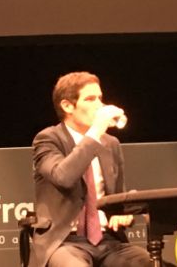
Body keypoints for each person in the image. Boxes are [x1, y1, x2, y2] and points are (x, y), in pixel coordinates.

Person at [30, 71, 150, 267]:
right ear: (67, 106)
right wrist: (95, 132)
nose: (99, 105)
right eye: (90, 99)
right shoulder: (48, 139)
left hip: (108, 240)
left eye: (100, 98)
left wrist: (123, 214)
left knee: (147, 262)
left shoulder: (111, 143)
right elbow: (63, 177)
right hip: (64, 241)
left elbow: (117, 199)